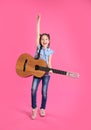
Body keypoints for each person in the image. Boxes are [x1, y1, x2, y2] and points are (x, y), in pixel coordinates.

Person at [31, 15, 54, 119]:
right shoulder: (39, 48)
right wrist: (38, 22)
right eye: (42, 39)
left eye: (46, 39)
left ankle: (43, 108)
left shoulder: (50, 51)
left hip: (46, 74)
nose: (44, 40)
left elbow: (49, 63)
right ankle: (34, 108)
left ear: (49, 41)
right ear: (40, 41)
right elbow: (37, 34)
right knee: (33, 89)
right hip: (37, 72)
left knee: (44, 91)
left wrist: (50, 69)